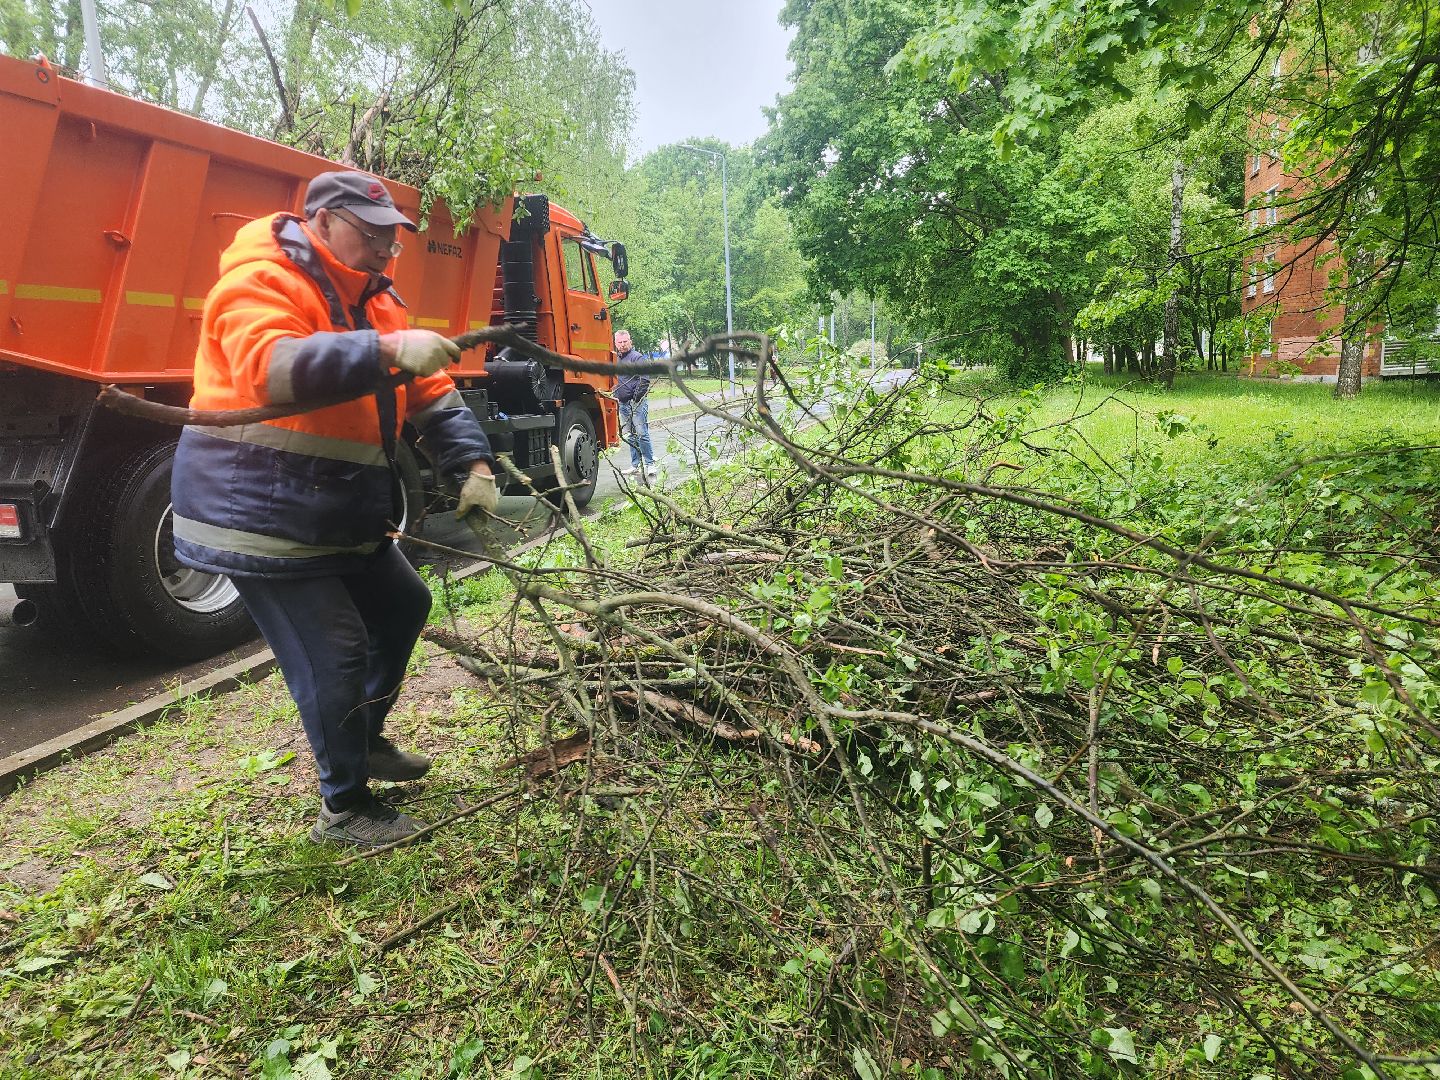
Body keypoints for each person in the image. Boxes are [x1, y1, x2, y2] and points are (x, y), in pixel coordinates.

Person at [171, 171, 499, 848]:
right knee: (336, 651)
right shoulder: (259, 279)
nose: (386, 250)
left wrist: (473, 465)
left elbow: (433, 394)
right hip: (257, 512)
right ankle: (343, 809)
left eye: (393, 240)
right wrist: (381, 352)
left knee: (403, 605)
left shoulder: (377, 301)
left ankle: (364, 739)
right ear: (321, 222)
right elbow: (273, 368)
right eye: (371, 234)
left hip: (331, 509)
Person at [613, 330, 657, 480]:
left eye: (625, 341)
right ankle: (635, 464)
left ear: (630, 341)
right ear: (616, 343)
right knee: (630, 435)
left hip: (637, 403)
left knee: (642, 433)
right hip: (623, 404)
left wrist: (635, 398)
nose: (623, 344)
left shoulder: (637, 358)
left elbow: (644, 379)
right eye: (620, 342)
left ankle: (650, 463)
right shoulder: (615, 360)